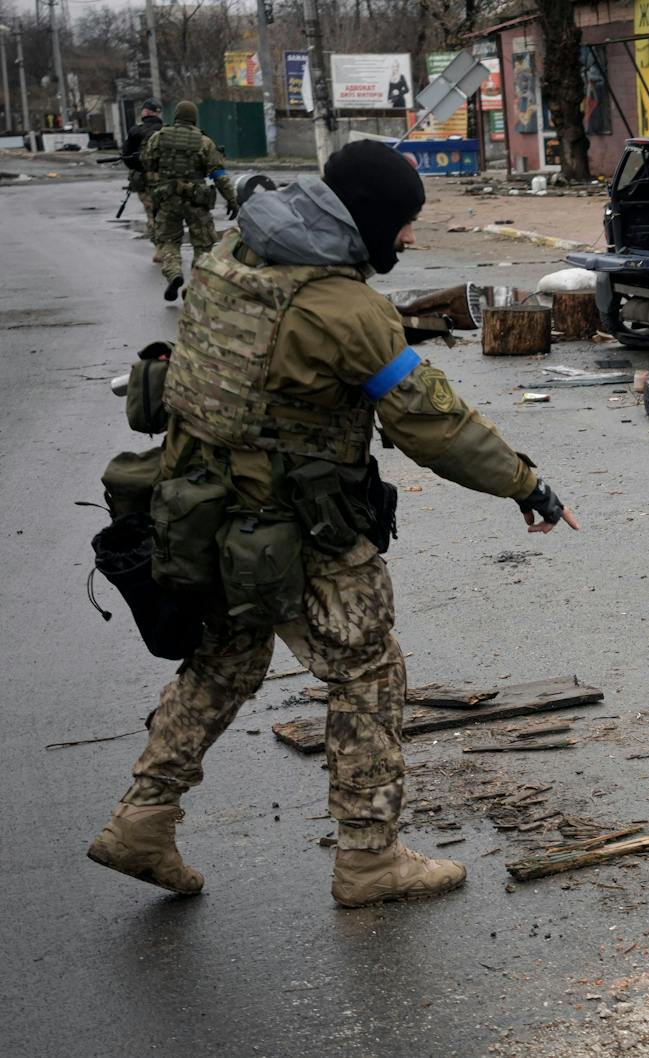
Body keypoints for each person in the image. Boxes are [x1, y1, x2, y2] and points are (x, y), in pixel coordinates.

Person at [87, 141, 581, 908]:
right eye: (405, 224)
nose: (411, 239)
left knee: (223, 663)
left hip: (195, 509)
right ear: (370, 220)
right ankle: (369, 858)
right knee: (369, 672)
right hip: (296, 529)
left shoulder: (233, 252)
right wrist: (526, 484)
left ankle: (141, 821)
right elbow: (432, 424)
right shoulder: (346, 310)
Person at [140, 100, 239, 302]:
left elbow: (147, 163)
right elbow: (219, 175)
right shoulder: (205, 142)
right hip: (196, 200)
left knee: (168, 242)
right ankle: (195, 283)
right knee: (203, 245)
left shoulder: (158, 138)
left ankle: (174, 273)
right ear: (194, 117)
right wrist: (232, 200)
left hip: (168, 199)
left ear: (175, 116)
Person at [119, 99, 165, 261]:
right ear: (158, 113)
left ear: (145, 112)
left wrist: (140, 164)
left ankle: (160, 248)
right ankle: (170, 247)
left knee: (151, 214)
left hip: (144, 180)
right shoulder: (167, 130)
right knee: (166, 213)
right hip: (166, 180)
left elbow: (126, 157)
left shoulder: (135, 131)